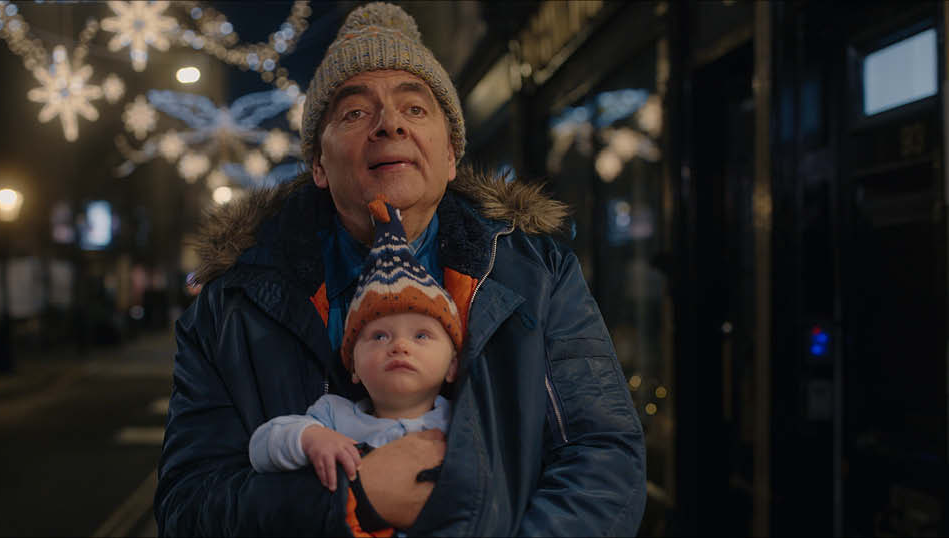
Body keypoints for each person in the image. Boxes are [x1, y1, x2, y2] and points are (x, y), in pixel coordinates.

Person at [154, 2, 647, 536]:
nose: (389, 124)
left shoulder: (535, 275)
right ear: (318, 164)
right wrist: (352, 502)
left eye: (414, 109)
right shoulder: (232, 308)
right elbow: (189, 507)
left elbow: (603, 459)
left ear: (452, 155)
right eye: (354, 113)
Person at [248, 199, 460, 502]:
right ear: (354, 367)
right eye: (379, 336)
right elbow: (261, 447)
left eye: (421, 336)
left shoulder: (463, 420)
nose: (400, 346)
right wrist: (310, 438)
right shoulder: (333, 416)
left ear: (453, 365)